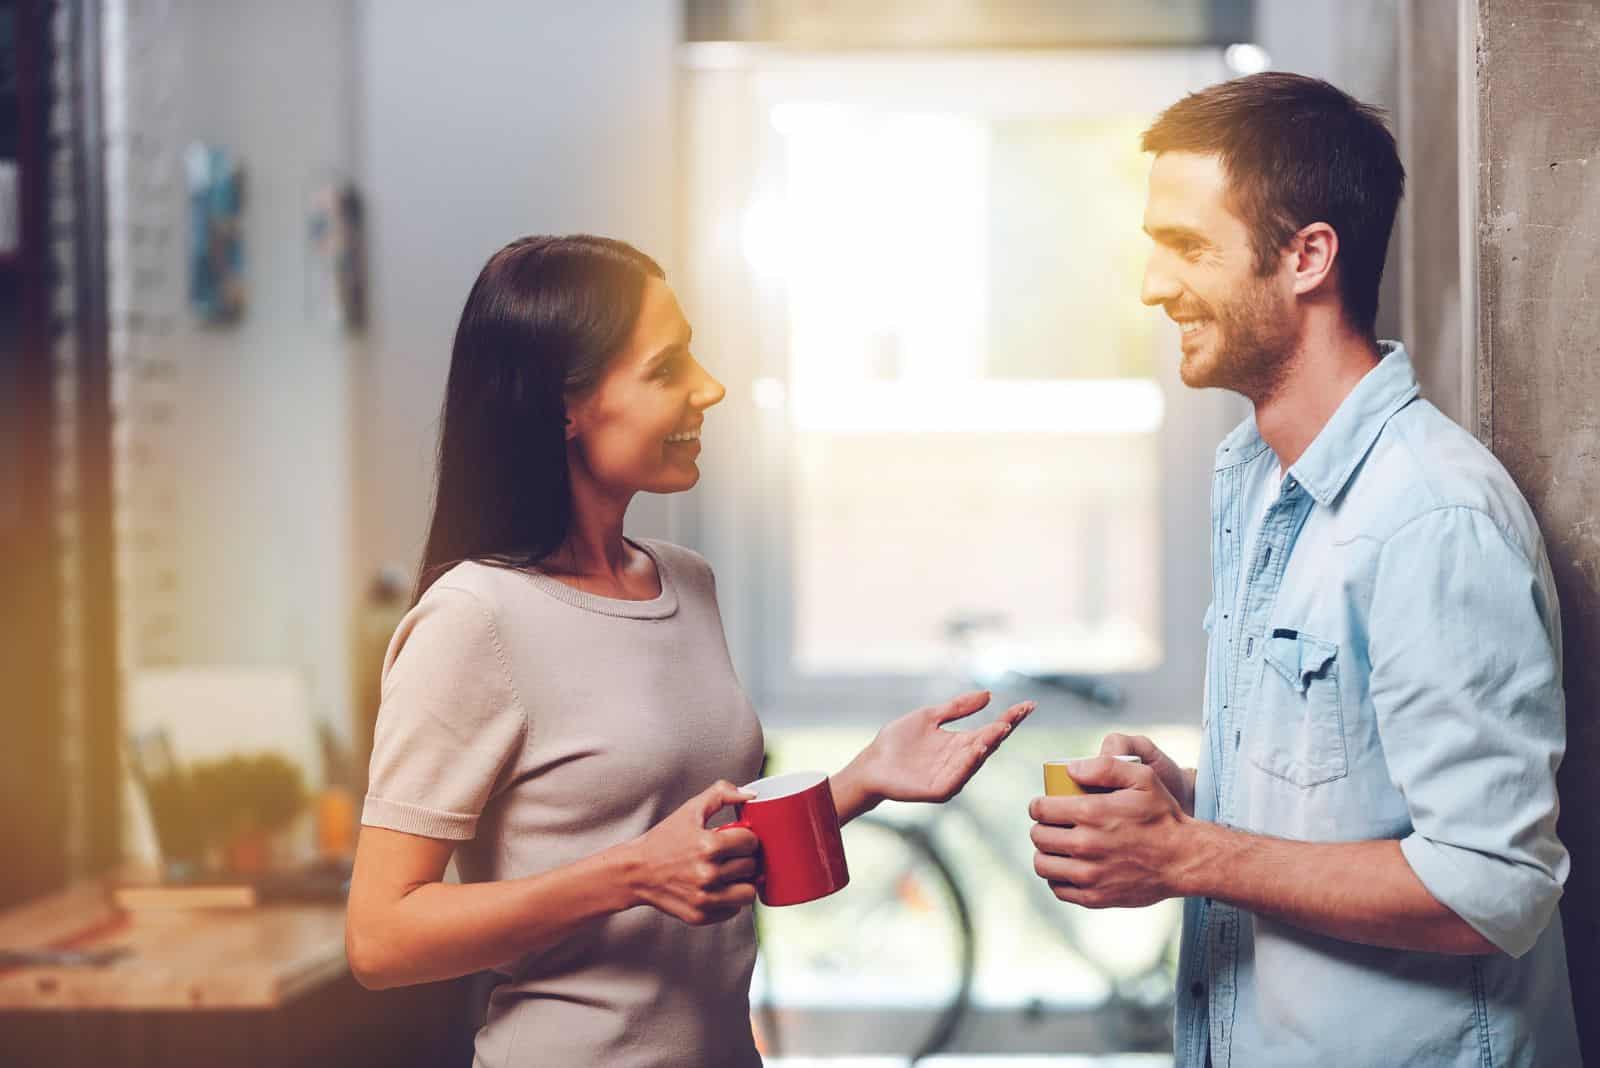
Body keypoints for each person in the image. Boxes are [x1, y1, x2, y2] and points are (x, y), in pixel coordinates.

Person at [344, 234, 1034, 1068]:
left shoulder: (684, 583)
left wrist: (862, 779)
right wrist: (631, 873)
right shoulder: (473, 618)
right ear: (564, 406)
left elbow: (704, 848)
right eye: (668, 368)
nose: (711, 387)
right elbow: (380, 939)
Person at [1029, 73, 1579, 1066]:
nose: (1153, 285)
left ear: (1307, 256)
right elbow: (1359, 794)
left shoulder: (1430, 515)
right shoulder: (1256, 481)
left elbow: (1490, 889)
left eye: (1188, 247)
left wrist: (1190, 854)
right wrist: (1197, 799)